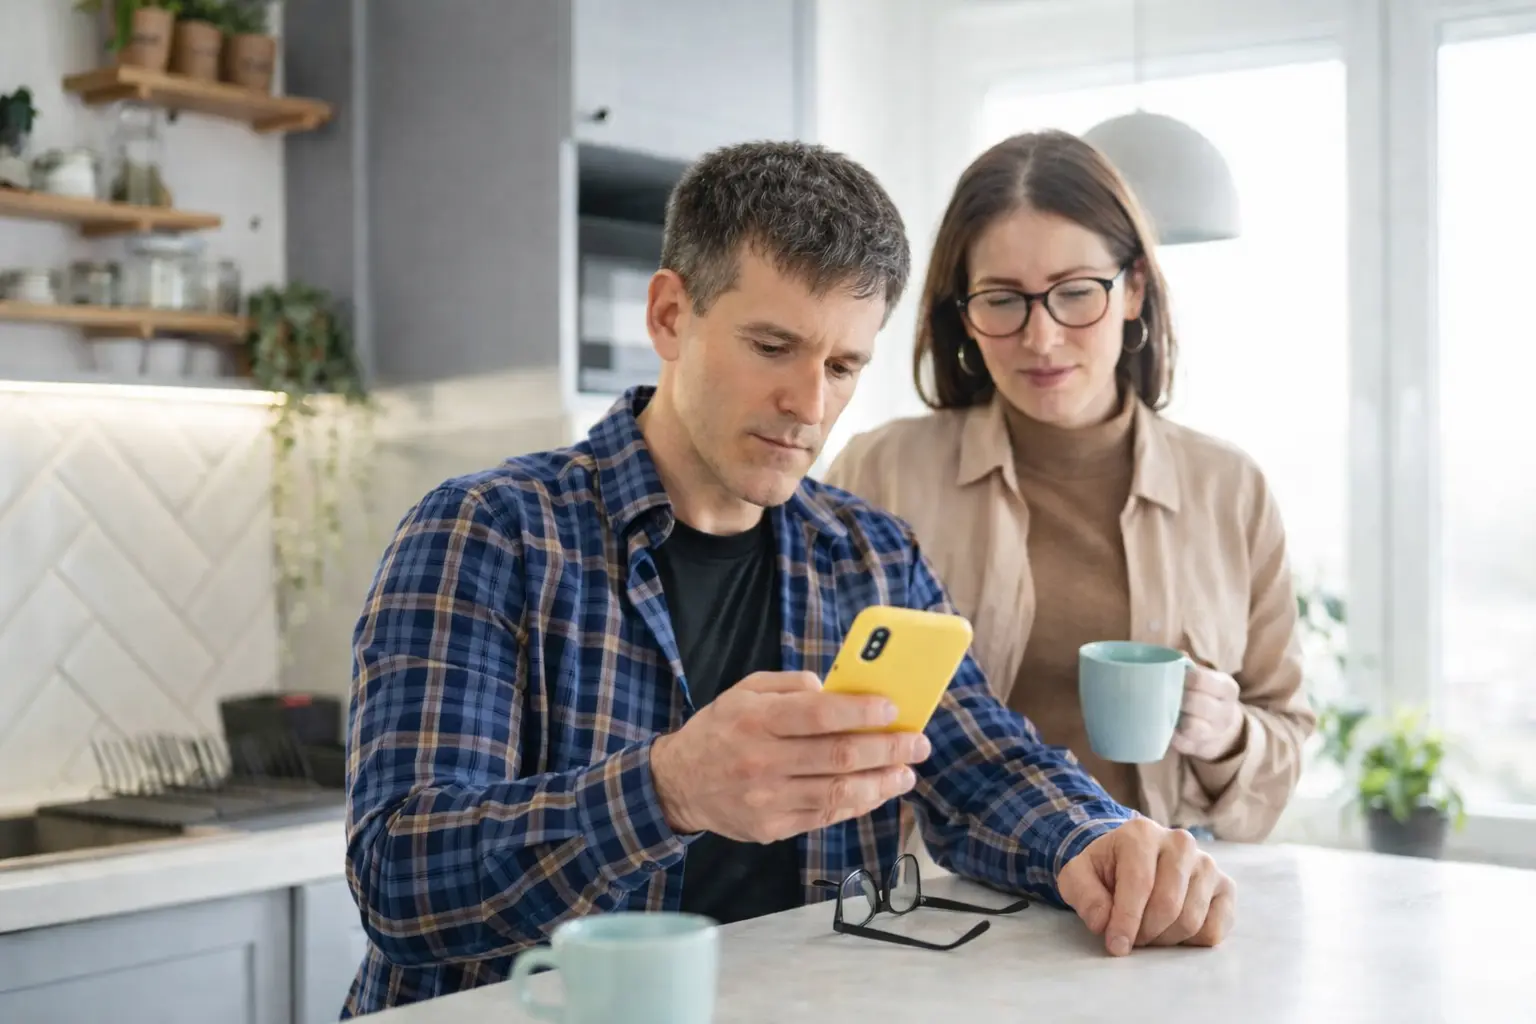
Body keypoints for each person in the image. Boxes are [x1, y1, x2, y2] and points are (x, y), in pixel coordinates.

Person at [343, 139, 1236, 1016]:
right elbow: (400, 878)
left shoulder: (870, 555)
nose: (810, 406)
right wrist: (669, 789)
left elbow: (982, 765)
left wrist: (1103, 839)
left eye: (843, 366)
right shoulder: (488, 534)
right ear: (669, 317)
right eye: (773, 347)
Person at [824, 130, 1316, 843]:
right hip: (938, 905)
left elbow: (1286, 728)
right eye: (1002, 300)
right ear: (962, 314)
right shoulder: (881, 471)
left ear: (1134, 291)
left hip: (1157, 893)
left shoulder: (1229, 489)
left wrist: (1230, 733)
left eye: (1076, 293)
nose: (1042, 338)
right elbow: (801, 687)